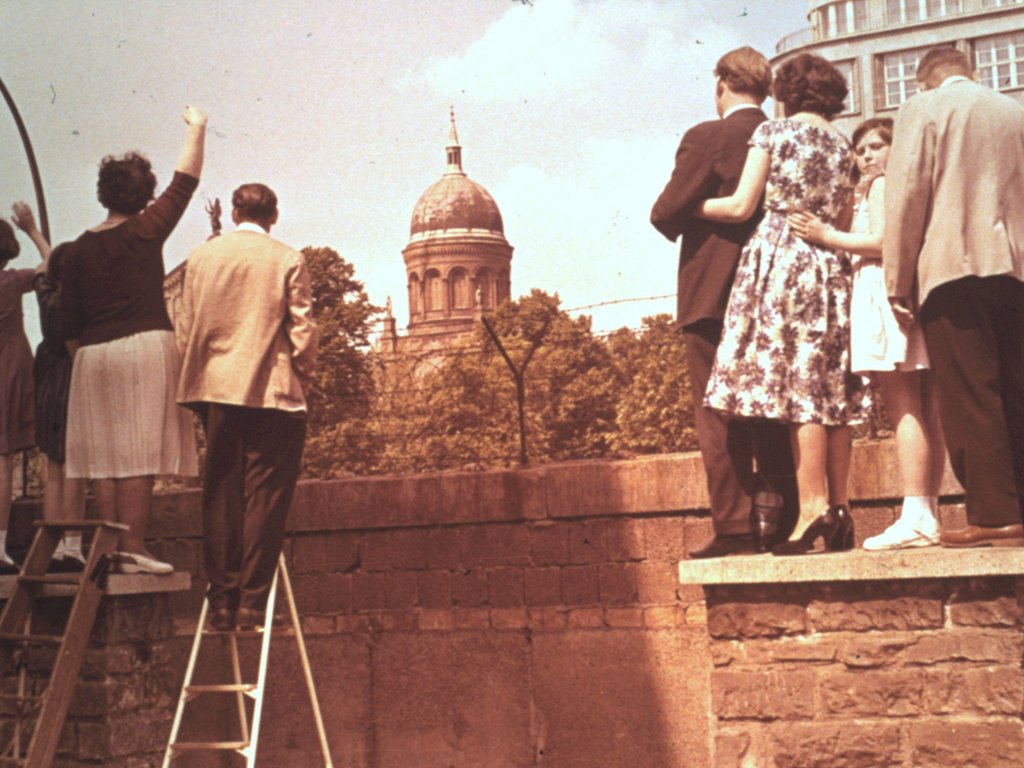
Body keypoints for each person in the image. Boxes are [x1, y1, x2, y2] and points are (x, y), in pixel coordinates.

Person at [697, 53, 871, 555]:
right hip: (828, 263)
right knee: (830, 388)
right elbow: (840, 219)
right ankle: (840, 508)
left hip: (782, 261)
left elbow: (740, 206)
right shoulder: (843, 146)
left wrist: (691, 206)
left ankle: (812, 509)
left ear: (787, 92)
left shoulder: (773, 133)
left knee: (800, 389)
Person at [650, 46, 798, 558]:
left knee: (717, 413)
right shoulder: (786, 138)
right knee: (773, 407)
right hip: (776, 293)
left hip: (712, 294)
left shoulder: (708, 136)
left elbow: (665, 212)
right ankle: (782, 520)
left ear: (721, 85)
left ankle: (735, 526)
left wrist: (696, 206)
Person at [884, 46, 1024, 548]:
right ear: (973, 73)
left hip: (951, 268)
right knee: (1014, 387)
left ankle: (994, 514)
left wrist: (897, 279)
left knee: (969, 393)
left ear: (923, 80)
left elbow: (907, 197)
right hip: (1016, 270)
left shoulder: (921, 109)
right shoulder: (1014, 111)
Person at [61, 106, 206, 574]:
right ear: (143, 196)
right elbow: (185, 182)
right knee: (139, 451)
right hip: (142, 347)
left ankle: (106, 549)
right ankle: (135, 546)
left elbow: (67, 321)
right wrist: (197, 128)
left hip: (92, 357)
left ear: (103, 193)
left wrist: (86, 360)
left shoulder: (78, 247)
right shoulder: (146, 230)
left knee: (103, 456)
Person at [788, 118, 946, 550]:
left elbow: (881, 241)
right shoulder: (909, 187)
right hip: (909, 293)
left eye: (877, 145)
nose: (867, 156)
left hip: (880, 290)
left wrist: (826, 235)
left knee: (904, 406)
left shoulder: (881, 187)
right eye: (861, 150)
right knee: (926, 409)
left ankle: (915, 516)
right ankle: (926, 513)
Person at [177, 183, 318, 630]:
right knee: (266, 496)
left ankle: (221, 599)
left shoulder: (202, 257)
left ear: (235, 212)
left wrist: (197, 371)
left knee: (220, 493)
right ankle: (253, 603)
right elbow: (303, 329)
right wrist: (304, 378)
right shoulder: (286, 258)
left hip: (215, 389)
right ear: (273, 216)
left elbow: (184, 322)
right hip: (272, 392)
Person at [11, 205, 87, 570]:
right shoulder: (78, 303)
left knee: (54, 463)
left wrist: (32, 231)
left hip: (48, 375)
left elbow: (48, 264)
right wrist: (35, 232)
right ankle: (71, 545)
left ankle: (53, 540)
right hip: (73, 375)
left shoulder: (45, 291)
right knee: (74, 464)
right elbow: (51, 261)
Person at [0, 211, 39, 573]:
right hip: (9, 370)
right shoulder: (12, 282)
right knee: (3, 460)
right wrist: (32, 230)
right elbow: (53, 265)